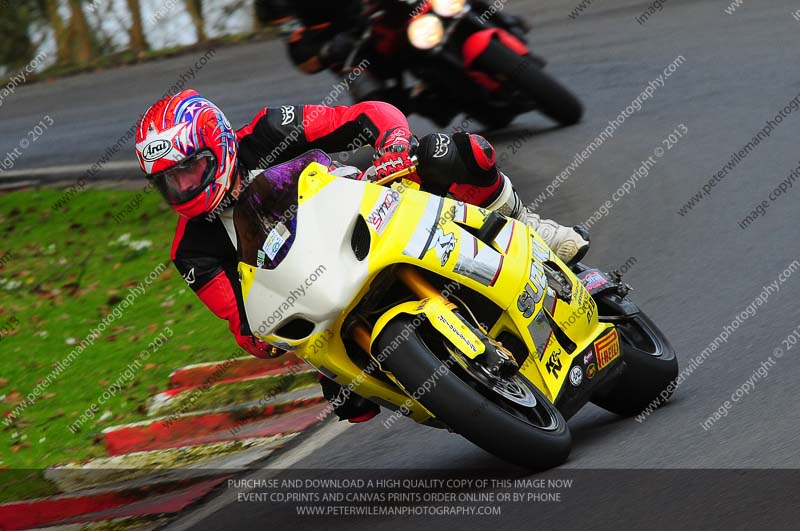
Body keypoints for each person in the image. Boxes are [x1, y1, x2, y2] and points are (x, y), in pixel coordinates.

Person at [134, 89, 588, 423]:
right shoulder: (191, 248)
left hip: (374, 211)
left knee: (452, 151)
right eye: (170, 182)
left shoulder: (268, 131)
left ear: (218, 144)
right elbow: (242, 322)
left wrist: (391, 144)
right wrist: (262, 338)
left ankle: (530, 227)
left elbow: (368, 113)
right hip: (322, 297)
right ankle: (455, 395)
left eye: (190, 170)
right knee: (349, 401)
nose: (184, 188)